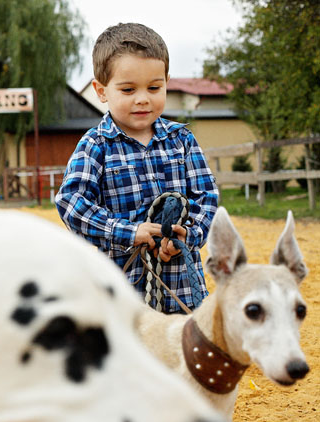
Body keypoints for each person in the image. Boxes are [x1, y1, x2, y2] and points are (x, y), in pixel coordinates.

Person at [55, 23, 218, 314]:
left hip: (182, 286)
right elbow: (71, 203)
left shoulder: (182, 140)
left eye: (154, 88)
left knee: (183, 353)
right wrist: (129, 232)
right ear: (101, 91)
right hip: (122, 292)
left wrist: (186, 234)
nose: (143, 98)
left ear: (167, 82)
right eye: (128, 89)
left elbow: (206, 197)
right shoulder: (95, 145)